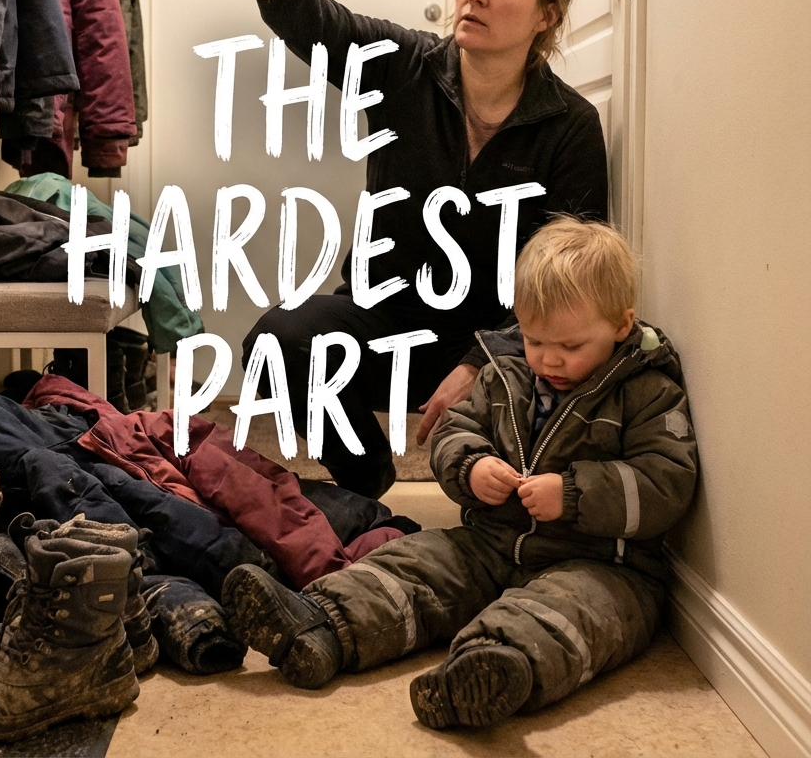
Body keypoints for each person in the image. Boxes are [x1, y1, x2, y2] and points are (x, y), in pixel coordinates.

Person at [225, 0, 609, 499]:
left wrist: (485, 359)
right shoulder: (404, 66)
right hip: (383, 319)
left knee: (549, 379)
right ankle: (365, 479)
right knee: (280, 342)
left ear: (546, 14)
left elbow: (574, 283)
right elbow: (306, 18)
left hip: (502, 341)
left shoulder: (570, 126)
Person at [221, 217, 698, 731]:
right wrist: (473, 467)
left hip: (604, 565)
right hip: (490, 543)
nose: (549, 360)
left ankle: (488, 669)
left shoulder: (648, 393)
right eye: (534, 340)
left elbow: (667, 482)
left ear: (622, 326)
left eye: (571, 347)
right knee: (417, 563)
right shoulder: (506, 376)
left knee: (572, 613)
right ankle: (320, 624)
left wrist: (574, 494)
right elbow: (456, 431)